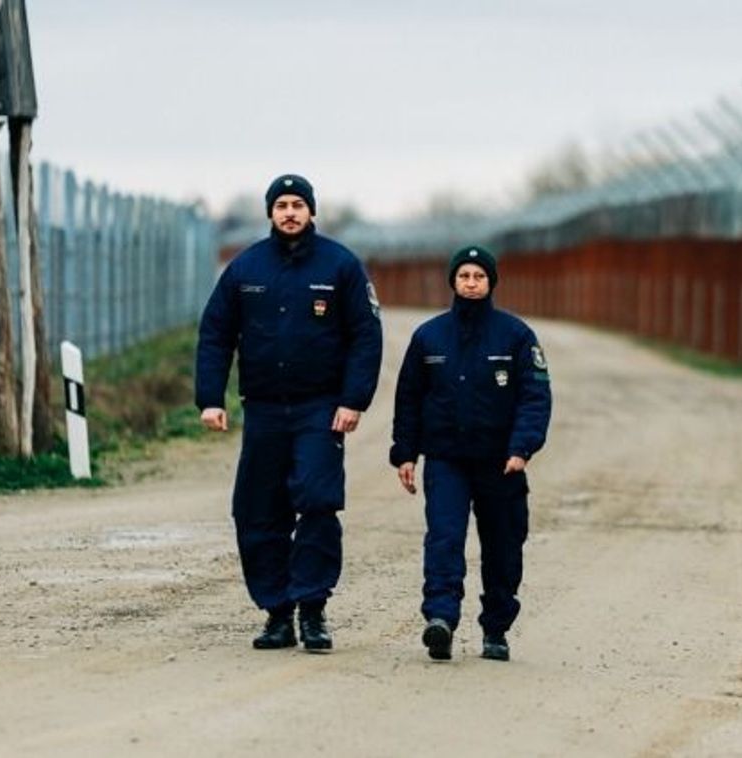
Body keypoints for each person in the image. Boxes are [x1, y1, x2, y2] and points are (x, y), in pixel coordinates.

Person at [195, 174, 383, 652]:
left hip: (320, 409)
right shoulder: (246, 267)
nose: (291, 212)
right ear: (270, 213)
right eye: (282, 204)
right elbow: (216, 333)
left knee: (318, 502)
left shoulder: (340, 265)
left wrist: (353, 399)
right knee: (257, 510)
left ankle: (314, 610)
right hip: (262, 410)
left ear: (312, 212)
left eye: (299, 204)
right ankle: (277, 612)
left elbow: (366, 336)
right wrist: (210, 398)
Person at [390, 245, 552, 662]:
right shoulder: (429, 337)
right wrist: (404, 453)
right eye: (464, 276)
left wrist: (522, 448)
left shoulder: (516, 336)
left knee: (503, 545)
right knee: (444, 538)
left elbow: (535, 397)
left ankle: (495, 628)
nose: (471, 283)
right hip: (446, 458)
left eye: (479, 276)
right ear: (453, 282)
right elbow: (408, 398)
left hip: (501, 461)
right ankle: (440, 618)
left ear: (491, 282)